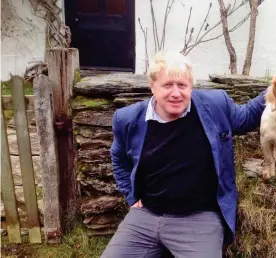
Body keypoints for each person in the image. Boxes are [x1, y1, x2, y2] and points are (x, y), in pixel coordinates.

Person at [101, 51, 267, 258]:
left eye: (182, 85)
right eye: (167, 85)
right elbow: (118, 157)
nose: (176, 93)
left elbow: (248, 117)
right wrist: (131, 195)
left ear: (191, 86)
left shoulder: (214, 106)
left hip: (199, 218)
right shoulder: (128, 119)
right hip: (146, 216)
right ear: (152, 86)